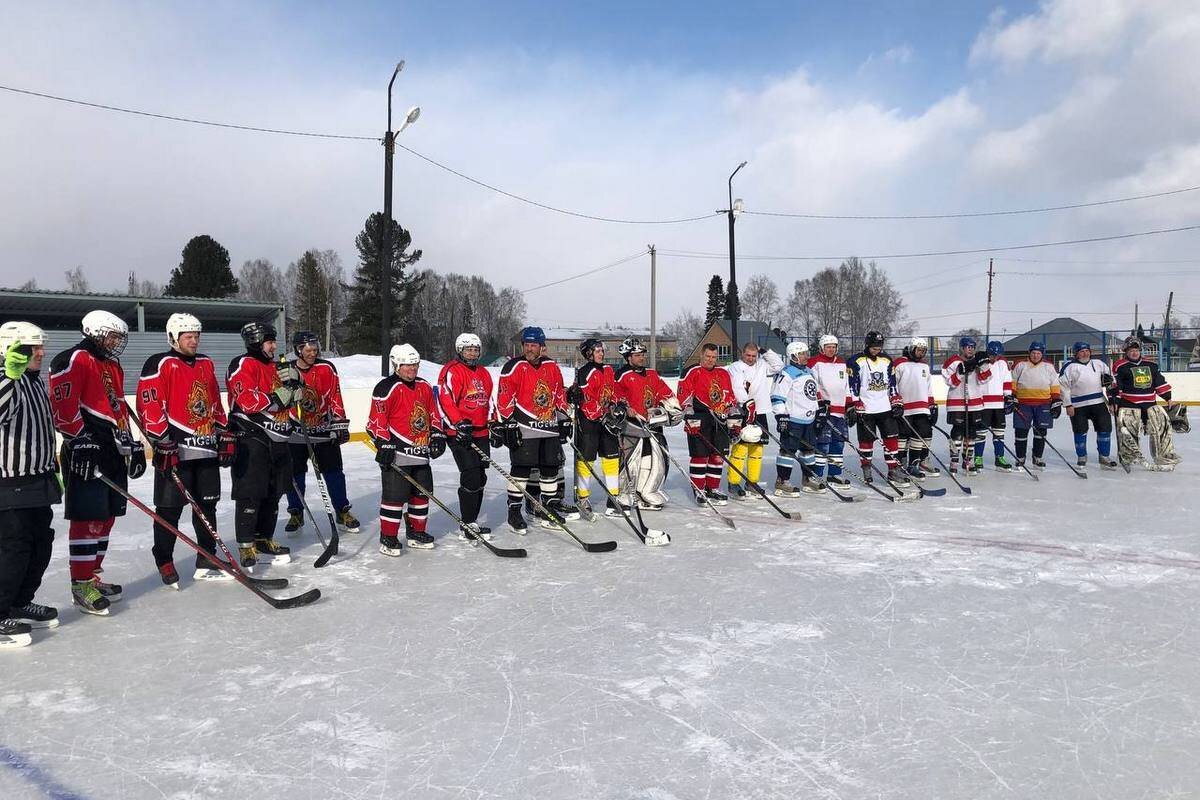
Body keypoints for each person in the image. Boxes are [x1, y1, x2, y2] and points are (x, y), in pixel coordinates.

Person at [49, 310, 145, 615]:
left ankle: (92, 575)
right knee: (88, 518)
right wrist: (79, 441)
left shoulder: (111, 364)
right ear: (94, 332)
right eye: (112, 336)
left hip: (112, 450)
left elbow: (117, 406)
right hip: (86, 451)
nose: (116, 342)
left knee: (107, 517)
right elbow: (62, 406)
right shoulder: (74, 358)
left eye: (118, 337)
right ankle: (80, 585)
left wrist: (134, 445)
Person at [137, 313, 236, 587]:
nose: (193, 341)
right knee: (169, 510)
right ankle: (164, 560)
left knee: (208, 506)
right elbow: (149, 404)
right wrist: (161, 441)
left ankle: (206, 557)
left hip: (205, 449)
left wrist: (224, 431)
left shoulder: (205, 363)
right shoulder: (160, 363)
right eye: (187, 336)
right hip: (175, 451)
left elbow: (214, 400)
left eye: (196, 336)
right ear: (173, 338)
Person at [0, 322, 62, 646]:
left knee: (41, 545)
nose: (40, 352)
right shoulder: (6, 379)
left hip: (39, 479)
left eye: (40, 346)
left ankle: (20, 601)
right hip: (9, 483)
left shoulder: (36, 383)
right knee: (13, 549)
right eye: (31, 347)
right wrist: (9, 375)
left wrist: (54, 468)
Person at [226, 322, 295, 569]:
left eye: (274, 340)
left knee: (274, 492)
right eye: (269, 341)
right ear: (255, 341)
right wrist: (278, 397)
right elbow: (248, 401)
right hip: (251, 437)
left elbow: (291, 399)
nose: (274, 345)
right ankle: (246, 546)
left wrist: (295, 387)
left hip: (278, 438)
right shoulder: (242, 364)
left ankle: (264, 538)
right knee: (250, 493)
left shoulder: (278, 367)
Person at [494, 326, 575, 531]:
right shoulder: (513, 366)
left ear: (542, 347)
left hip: (549, 427)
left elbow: (558, 394)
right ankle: (514, 513)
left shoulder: (552, 367)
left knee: (550, 468)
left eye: (534, 345)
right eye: (526, 345)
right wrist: (508, 422)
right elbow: (504, 397)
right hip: (524, 427)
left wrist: (564, 418)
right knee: (521, 469)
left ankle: (546, 509)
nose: (529, 349)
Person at [368, 343, 446, 554]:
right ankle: (388, 537)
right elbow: (376, 421)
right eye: (407, 366)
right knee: (394, 497)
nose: (412, 369)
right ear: (396, 365)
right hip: (397, 454)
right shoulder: (386, 387)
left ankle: (416, 532)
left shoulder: (425, 386)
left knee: (422, 494)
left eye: (415, 365)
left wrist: (438, 435)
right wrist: (383, 443)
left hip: (421, 452)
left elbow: (433, 414)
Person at [283, 331, 358, 535]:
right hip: (296, 433)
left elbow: (335, 396)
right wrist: (289, 392)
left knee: (334, 473)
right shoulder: (285, 369)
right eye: (308, 350)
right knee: (295, 475)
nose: (312, 353)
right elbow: (278, 400)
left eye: (315, 349)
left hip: (324, 431)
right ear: (298, 350)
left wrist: (340, 424)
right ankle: (296, 512)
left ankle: (342, 511)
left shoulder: (326, 367)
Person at [437, 332, 494, 539]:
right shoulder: (451, 371)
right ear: (460, 350)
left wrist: (494, 422)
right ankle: (468, 524)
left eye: (475, 350)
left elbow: (488, 400)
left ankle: (474, 522)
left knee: (481, 476)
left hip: (481, 431)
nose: (472, 353)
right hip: (459, 433)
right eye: (468, 349)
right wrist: (459, 424)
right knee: (470, 475)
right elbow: (445, 400)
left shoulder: (484, 373)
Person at [613, 336, 681, 509]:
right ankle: (627, 493)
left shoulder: (651, 373)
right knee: (632, 462)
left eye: (642, 354)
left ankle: (648, 491)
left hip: (653, 425)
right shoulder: (621, 375)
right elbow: (616, 397)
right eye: (637, 355)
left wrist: (671, 406)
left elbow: (662, 392)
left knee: (655, 461)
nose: (641, 357)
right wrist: (624, 407)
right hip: (632, 427)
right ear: (628, 357)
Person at [677, 343, 738, 505]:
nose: (711, 360)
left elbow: (729, 397)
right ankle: (699, 490)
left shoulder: (722, 373)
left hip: (720, 419)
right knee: (700, 456)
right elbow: (684, 396)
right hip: (700, 418)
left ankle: (713, 488)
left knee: (718, 456)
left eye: (714, 357)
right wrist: (690, 417)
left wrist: (734, 418)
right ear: (701, 355)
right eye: (708, 357)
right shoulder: (692, 371)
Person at [569, 338, 623, 516]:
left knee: (612, 459)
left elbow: (613, 391)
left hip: (607, 421)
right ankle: (583, 497)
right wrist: (600, 414)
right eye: (598, 351)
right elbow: (587, 399)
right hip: (589, 423)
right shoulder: (585, 371)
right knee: (587, 460)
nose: (602, 353)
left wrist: (616, 407)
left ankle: (613, 498)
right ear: (589, 354)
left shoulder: (608, 369)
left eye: (602, 350)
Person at [847, 331, 906, 484]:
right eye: (874, 347)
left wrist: (896, 401)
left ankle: (893, 470)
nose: (877, 350)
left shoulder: (886, 360)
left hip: (885, 408)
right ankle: (866, 468)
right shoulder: (855, 361)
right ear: (867, 345)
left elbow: (892, 383)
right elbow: (852, 385)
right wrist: (855, 404)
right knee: (866, 441)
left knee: (891, 439)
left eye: (879, 347)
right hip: (866, 409)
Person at [725, 342, 783, 498]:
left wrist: (764, 351)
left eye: (753, 356)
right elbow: (737, 387)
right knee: (741, 448)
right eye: (747, 355)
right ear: (742, 354)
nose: (750, 359)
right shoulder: (736, 367)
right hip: (743, 411)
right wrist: (745, 403)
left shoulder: (762, 365)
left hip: (761, 410)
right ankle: (734, 482)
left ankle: (752, 482)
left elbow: (778, 365)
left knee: (757, 449)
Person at [1111, 337, 1179, 470]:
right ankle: (1129, 455)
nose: (1134, 353)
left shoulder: (1151, 365)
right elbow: (1116, 386)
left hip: (1150, 404)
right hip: (1129, 404)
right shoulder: (1119, 365)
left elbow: (1159, 382)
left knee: (1159, 429)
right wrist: (1114, 402)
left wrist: (1168, 398)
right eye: (1131, 350)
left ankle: (1163, 454)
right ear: (1126, 351)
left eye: (1136, 350)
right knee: (1129, 431)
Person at [770, 341, 821, 495]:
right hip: (793, 420)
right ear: (793, 356)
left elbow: (812, 395)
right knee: (788, 451)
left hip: (809, 420)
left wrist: (819, 410)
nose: (806, 356)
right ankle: (782, 480)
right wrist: (781, 416)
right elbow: (777, 397)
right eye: (802, 354)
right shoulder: (786, 373)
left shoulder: (809, 371)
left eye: (806, 353)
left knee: (809, 450)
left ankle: (808, 478)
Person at [1058, 341, 1117, 469]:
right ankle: (1082, 456)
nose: (1085, 353)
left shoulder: (1099, 364)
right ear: (1076, 353)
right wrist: (1068, 405)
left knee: (1105, 428)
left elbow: (1111, 383)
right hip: (1078, 405)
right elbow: (1064, 387)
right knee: (1080, 431)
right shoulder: (1069, 367)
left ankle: (1104, 456)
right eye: (1081, 351)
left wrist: (1112, 401)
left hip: (1099, 402)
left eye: (1087, 351)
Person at [806, 335, 854, 487]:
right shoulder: (814, 363)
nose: (831, 349)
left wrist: (850, 405)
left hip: (840, 412)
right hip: (824, 411)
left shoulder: (841, 363)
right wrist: (820, 402)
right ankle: (817, 475)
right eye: (828, 346)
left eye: (833, 347)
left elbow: (846, 386)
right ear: (822, 347)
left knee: (838, 443)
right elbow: (812, 385)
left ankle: (834, 475)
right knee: (823, 443)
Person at [940, 336, 990, 475]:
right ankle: (954, 460)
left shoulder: (976, 362)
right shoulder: (953, 361)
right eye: (968, 347)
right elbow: (949, 381)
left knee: (972, 432)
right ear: (962, 348)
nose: (971, 349)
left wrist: (983, 364)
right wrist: (960, 372)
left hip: (974, 403)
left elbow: (984, 379)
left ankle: (968, 459)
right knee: (957, 431)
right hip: (957, 403)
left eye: (973, 347)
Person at [892, 337, 939, 479]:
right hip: (904, 407)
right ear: (912, 349)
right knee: (903, 436)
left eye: (924, 351)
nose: (921, 353)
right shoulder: (899, 363)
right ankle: (900, 463)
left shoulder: (924, 366)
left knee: (921, 434)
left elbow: (929, 387)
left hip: (922, 408)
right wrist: (895, 402)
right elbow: (893, 385)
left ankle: (914, 464)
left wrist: (932, 404)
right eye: (919, 350)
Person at [1010, 342, 1061, 468]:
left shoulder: (1048, 366)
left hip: (1043, 404)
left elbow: (1054, 384)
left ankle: (1037, 457)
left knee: (1040, 432)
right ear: (1029, 352)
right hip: (1023, 404)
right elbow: (1013, 382)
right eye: (1033, 353)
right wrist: (1013, 396)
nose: (1036, 355)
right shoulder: (1020, 365)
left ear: (1042, 354)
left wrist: (1056, 401)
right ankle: (1020, 458)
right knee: (1021, 432)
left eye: (1038, 353)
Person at [975, 341, 1015, 472]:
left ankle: (1000, 458)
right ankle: (978, 458)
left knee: (999, 433)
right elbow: (979, 381)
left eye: (997, 355)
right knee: (981, 433)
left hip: (999, 405)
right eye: (992, 354)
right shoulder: (981, 362)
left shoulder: (1003, 363)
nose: (995, 357)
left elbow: (1007, 381)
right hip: (983, 405)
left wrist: (1008, 396)